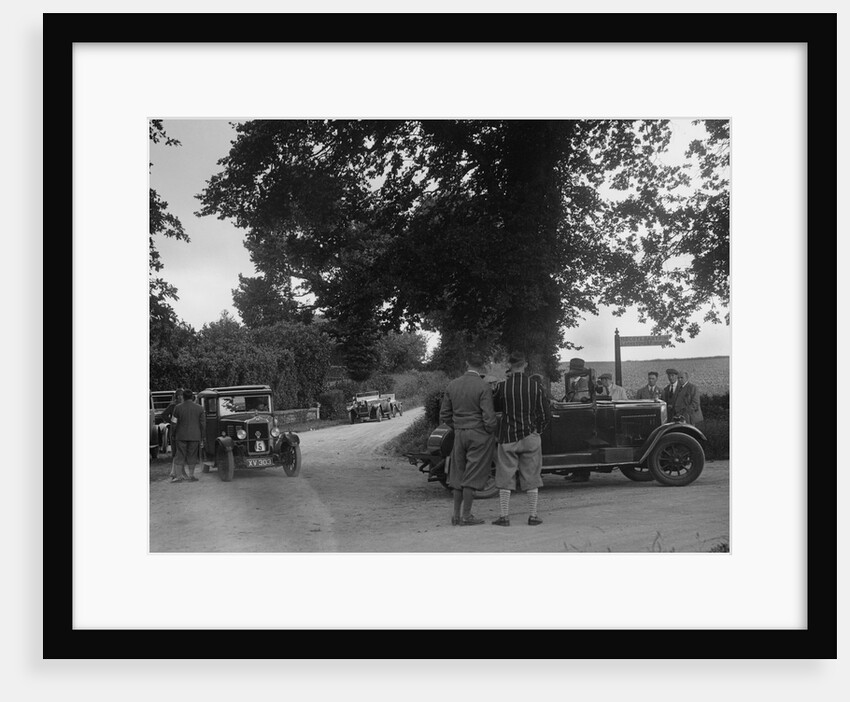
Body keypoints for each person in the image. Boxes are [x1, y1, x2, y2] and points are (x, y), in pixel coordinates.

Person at [491, 351, 552, 527]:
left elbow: (496, 408)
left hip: (508, 436)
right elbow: (545, 414)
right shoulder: (535, 387)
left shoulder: (502, 387)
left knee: (505, 476)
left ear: (510, 365)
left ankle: (504, 517)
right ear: (525, 365)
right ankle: (533, 516)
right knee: (532, 475)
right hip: (530, 436)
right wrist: (537, 430)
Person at [439, 352, 498, 526]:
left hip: (459, 433)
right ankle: (467, 516)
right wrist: (489, 430)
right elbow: (489, 416)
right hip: (479, 434)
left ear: (466, 363)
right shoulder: (483, 386)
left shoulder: (453, 385)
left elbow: (445, 414)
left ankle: (456, 515)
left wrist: (457, 426)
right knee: (472, 475)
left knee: (457, 474)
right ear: (483, 366)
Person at [171, 389, 206, 483]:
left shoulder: (177, 408)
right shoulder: (200, 408)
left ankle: (178, 477)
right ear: (192, 397)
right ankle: (191, 475)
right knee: (192, 456)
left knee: (180, 455)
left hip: (181, 436)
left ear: (184, 397)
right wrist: (202, 436)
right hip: (195, 436)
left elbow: (174, 423)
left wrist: (173, 434)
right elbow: (203, 424)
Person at [162, 389, 187, 481]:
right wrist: (172, 422)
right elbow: (164, 415)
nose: (180, 397)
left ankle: (175, 473)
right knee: (177, 452)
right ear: (176, 396)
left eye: (182, 395)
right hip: (175, 432)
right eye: (179, 395)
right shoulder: (173, 405)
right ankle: (179, 473)